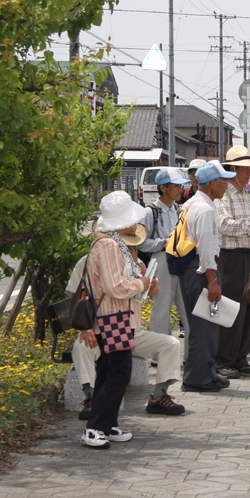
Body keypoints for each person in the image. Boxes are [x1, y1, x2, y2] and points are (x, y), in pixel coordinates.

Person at [80, 191, 158, 448]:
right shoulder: (110, 245)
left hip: (113, 316)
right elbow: (116, 287)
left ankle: (106, 424)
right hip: (114, 316)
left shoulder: (107, 242)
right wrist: (141, 283)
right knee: (119, 373)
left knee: (108, 370)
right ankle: (94, 427)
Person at [180, 161, 236, 392]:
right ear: (213, 183)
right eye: (224, 182)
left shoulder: (192, 203)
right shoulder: (204, 209)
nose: (226, 186)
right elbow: (205, 249)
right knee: (205, 326)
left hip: (195, 271)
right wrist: (212, 282)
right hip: (203, 272)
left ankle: (207, 372)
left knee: (208, 324)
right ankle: (198, 378)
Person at [214, 146, 250, 379]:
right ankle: (223, 359)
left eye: (249, 168)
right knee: (231, 308)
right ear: (233, 168)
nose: (248, 173)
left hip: (249, 255)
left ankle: (239, 357)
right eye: (245, 168)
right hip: (231, 257)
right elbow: (225, 226)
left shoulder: (246, 196)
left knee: (248, 308)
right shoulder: (224, 196)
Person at [138, 167, 190, 338]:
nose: (181, 189)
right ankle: (159, 354)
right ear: (163, 188)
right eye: (176, 186)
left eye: (181, 186)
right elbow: (142, 244)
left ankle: (190, 356)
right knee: (161, 309)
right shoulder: (150, 212)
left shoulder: (180, 210)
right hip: (161, 261)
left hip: (182, 261)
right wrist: (165, 243)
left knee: (188, 308)